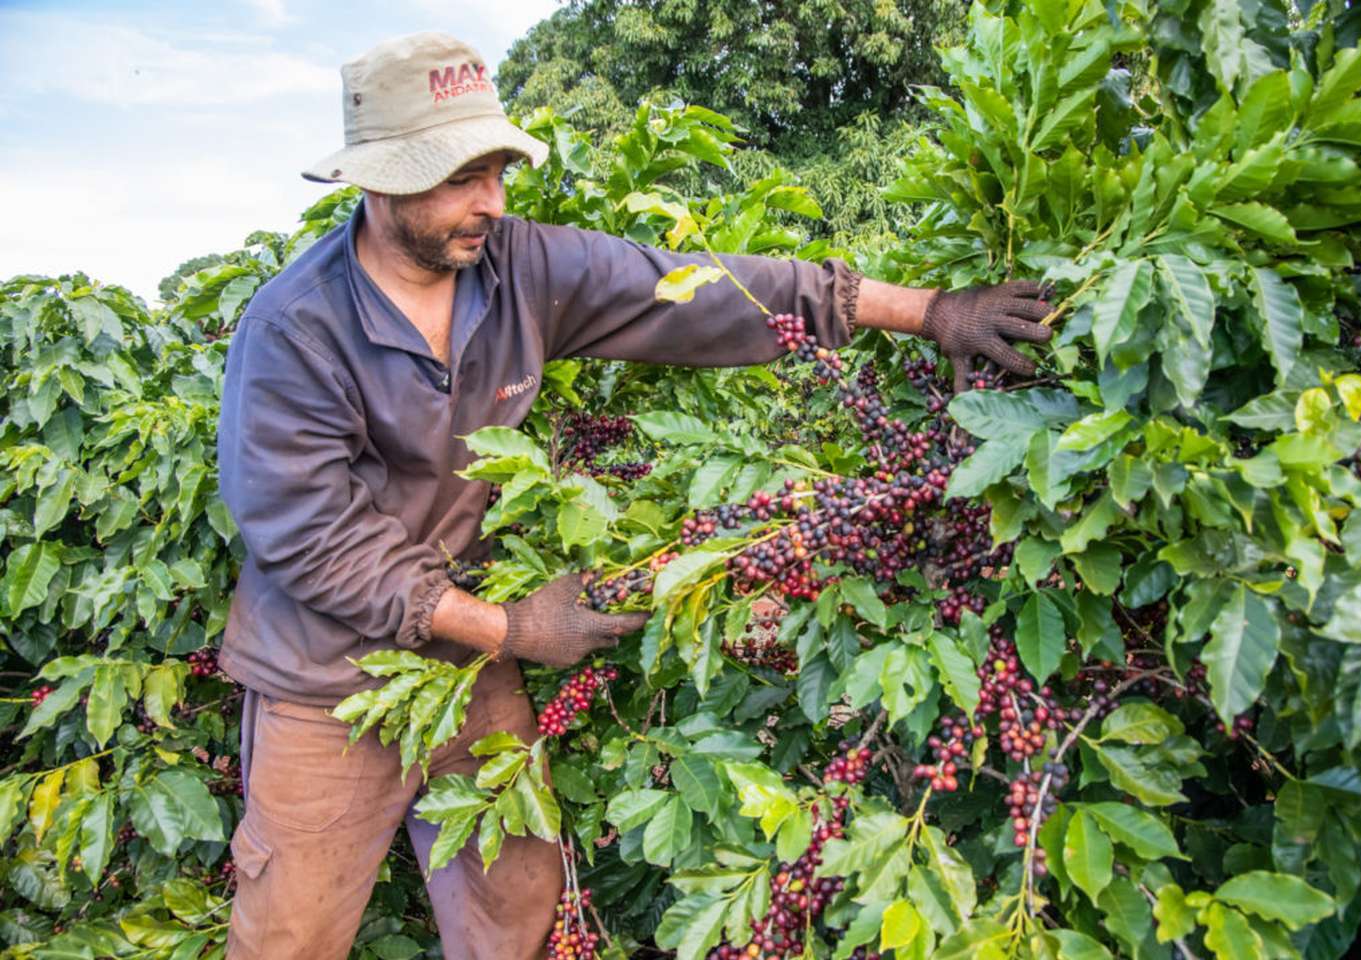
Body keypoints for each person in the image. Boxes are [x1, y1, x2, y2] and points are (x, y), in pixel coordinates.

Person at [216, 31, 1052, 960]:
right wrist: (511, 629)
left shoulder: (518, 267)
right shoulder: (296, 329)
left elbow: (701, 294)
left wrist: (929, 311)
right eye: (460, 179)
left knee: (515, 909)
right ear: (380, 182)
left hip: (470, 662)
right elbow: (312, 537)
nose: (492, 202)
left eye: (497, 172)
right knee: (292, 933)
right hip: (327, 686)